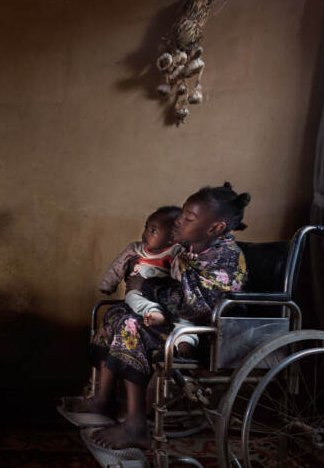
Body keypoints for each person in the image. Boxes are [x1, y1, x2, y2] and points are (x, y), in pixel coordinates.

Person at [71, 183, 250, 450]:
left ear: (215, 228)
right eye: (182, 214)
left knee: (131, 325)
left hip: (207, 330)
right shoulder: (190, 249)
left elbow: (196, 307)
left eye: (188, 218)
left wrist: (144, 287)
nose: (177, 220)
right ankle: (104, 398)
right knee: (116, 313)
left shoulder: (225, 259)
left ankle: (135, 425)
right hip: (177, 320)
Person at [98, 206, 195, 355]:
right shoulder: (135, 248)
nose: (146, 233)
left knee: (182, 318)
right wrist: (108, 284)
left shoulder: (176, 251)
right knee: (132, 296)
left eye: (153, 230)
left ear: (171, 237)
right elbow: (118, 265)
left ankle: (186, 341)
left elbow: (180, 275)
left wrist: (187, 258)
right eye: (146, 228)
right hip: (141, 295)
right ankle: (154, 313)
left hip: (167, 297)